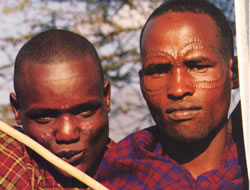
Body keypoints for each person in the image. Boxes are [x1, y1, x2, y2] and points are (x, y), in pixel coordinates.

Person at [96, 0, 248, 189]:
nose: (178, 89)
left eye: (197, 67)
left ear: (234, 74)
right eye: (159, 71)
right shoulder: (115, 176)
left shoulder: (245, 167)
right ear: (142, 83)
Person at [0, 29, 113, 189]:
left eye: (84, 111)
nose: (67, 134)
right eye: (45, 117)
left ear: (106, 98)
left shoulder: (140, 171)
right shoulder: (10, 161)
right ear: (17, 110)